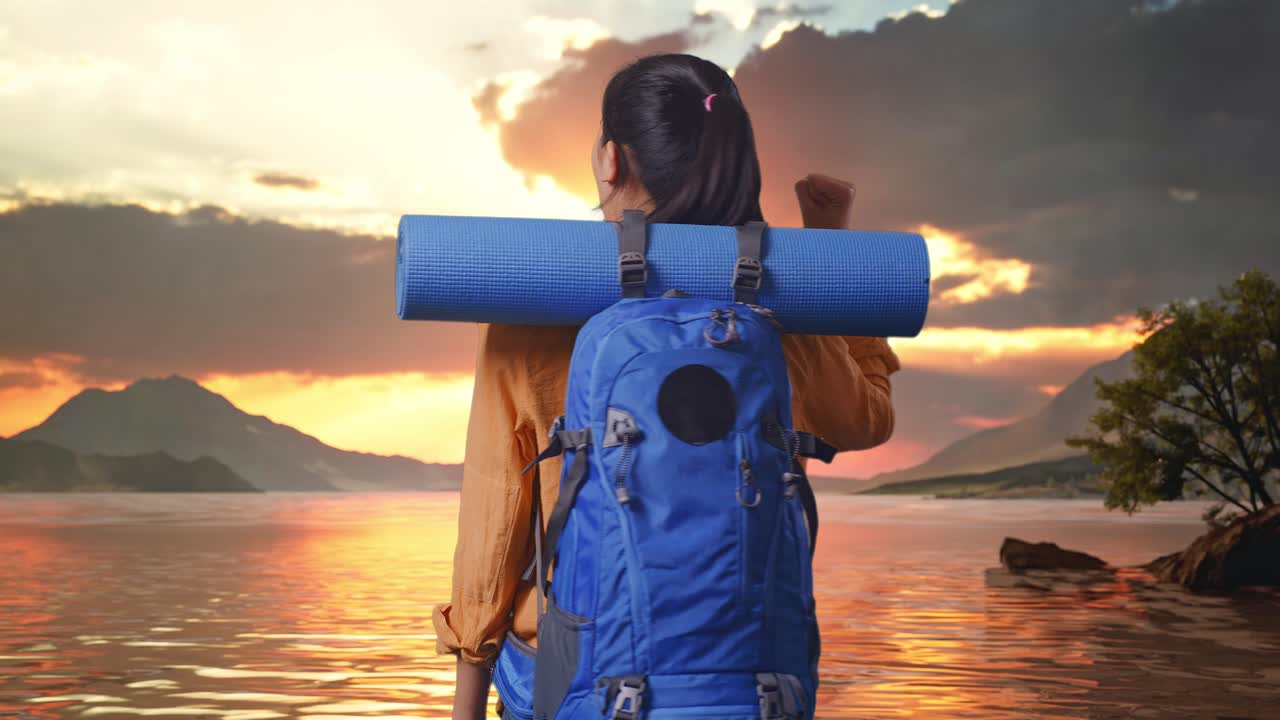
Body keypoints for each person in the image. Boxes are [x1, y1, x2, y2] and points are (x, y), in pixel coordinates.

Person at [433, 53, 900, 720]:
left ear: (611, 162)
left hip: (581, 679)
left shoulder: (530, 303)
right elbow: (867, 420)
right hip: (748, 682)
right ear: (735, 154)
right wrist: (832, 255)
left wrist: (467, 702)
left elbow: (494, 519)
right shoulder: (778, 309)